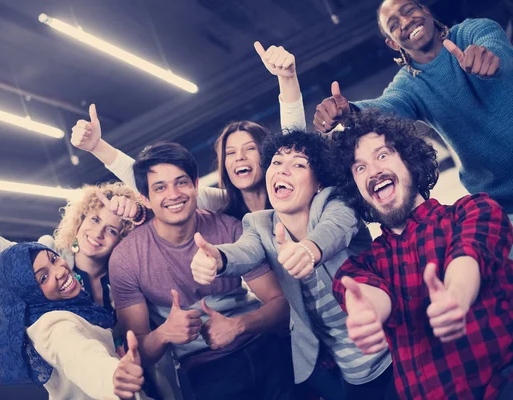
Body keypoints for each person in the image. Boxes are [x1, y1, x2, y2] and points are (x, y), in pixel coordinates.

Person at [0, 177, 182, 399]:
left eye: (112, 230)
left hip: (145, 383)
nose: (98, 233)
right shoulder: (49, 257)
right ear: (80, 220)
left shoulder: (127, 278)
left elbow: (168, 233)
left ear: (122, 240)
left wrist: (141, 214)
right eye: (94, 219)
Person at [190, 130, 393, 400]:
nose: (282, 170)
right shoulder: (260, 224)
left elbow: (337, 227)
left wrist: (308, 250)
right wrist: (217, 257)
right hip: (346, 374)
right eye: (276, 162)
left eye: (298, 164)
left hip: (396, 351)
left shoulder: (335, 202)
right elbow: (244, 251)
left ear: (318, 181)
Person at [331, 110, 513, 399]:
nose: (373, 171)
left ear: (409, 161)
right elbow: (368, 297)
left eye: (382, 155)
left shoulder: (473, 210)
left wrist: (455, 296)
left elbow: (469, 255)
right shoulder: (358, 268)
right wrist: (367, 314)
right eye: (359, 168)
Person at [108, 142, 296, 400]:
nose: (173, 194)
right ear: (145, 199)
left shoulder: (230, 228)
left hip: (265, 347)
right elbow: (135, 351)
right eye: (160, 187)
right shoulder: (126, 258)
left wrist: (238, 325)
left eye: (181, 182)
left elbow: (282, 306)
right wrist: (163, 334)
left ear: (196, 185)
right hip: (205, 369)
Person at [311, 0, 513, 225]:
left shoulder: (473, 31)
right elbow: (386, 107)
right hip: (500, 204)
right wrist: (349, 111)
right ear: (392, 43)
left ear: (426, 11)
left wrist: (489, 59)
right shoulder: (409, 84)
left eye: (409, 11)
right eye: (394, 24)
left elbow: (495, 47)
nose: (406, 22)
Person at [70, 41, 305, 219]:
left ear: (267, 156)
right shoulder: (220, 203)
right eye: (230, 152)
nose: (240, 157)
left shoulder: (290, 190)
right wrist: (97, 147)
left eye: (250, 148)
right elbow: (152, 181)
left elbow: (294, 143)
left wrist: (287, 79)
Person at [0, 241, 147, 399]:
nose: (60, 271)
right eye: (43, 278)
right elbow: (78, 356)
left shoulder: (71, 307)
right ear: (30, 294)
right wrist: (113, 377)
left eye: (53, 259)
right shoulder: (52, 327)